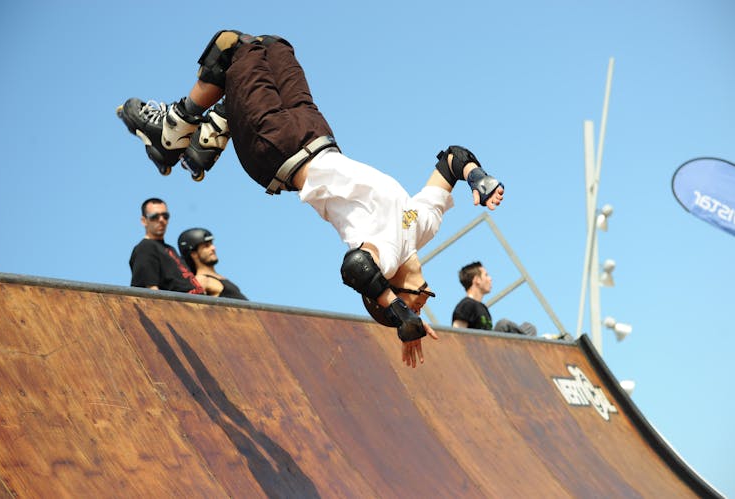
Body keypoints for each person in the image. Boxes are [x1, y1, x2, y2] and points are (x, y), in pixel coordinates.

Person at [118, 30, 505, 368]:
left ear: (390, 286)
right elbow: (452, 159)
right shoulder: (422, 225)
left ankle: (172, 133)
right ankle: (212, 134)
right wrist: (478, 178)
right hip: (317, 135)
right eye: (423, 303)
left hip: (277, 150)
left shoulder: (385, 252)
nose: (424, 300)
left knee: (232, 47)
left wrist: (399, 312)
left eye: (418, 302)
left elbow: (356, 267)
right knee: (274, 45)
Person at [129, 198, 204, 294]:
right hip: (177, 307)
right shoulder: (145, 247)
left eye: (165, 216)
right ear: (144, 221)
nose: (161, 220)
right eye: (155, 216)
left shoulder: (169, 248)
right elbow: (149, 292)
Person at [451, 261, 536, 336]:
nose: (490, 278)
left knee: (528, 327)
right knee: (503, 324)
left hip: (491, 346)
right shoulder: (466, 305)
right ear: (477, 280)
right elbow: (456, 334)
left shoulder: (482, 308)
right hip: (480, 349)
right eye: (486, 275)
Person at [177, 227, 248, 300]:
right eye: (206, 246)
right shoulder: (201, 280)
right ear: (193, 254)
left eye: (211, 244)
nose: (213, 248)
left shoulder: (221, 278)